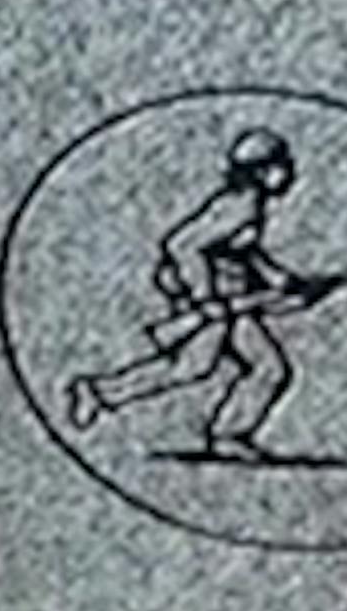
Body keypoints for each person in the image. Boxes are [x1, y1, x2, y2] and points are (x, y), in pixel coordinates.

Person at [67, 128, 305, 459]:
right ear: (262, 170)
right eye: (282, 165)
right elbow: (182, 244)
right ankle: (101, 391)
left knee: (262, 368)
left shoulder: (251, 206)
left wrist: (279, 278)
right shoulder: (238, 207)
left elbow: (242, 250)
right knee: (197, 368)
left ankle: (230, 433)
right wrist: (205, 301)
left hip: (232, 299)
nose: (289, 173)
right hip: (218, 302)